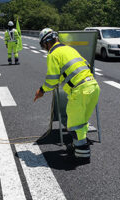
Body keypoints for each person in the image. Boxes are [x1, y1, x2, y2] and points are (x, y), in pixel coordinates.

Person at [34, 28, 100, 163]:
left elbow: (52, 80)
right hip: (93, 87)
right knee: (81, 123)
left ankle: (82, 155)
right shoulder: (69, 49)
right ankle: (77, 145)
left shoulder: (53, 54)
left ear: (46, 43)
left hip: (80, 91)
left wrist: (41, 90)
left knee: (73, 126)